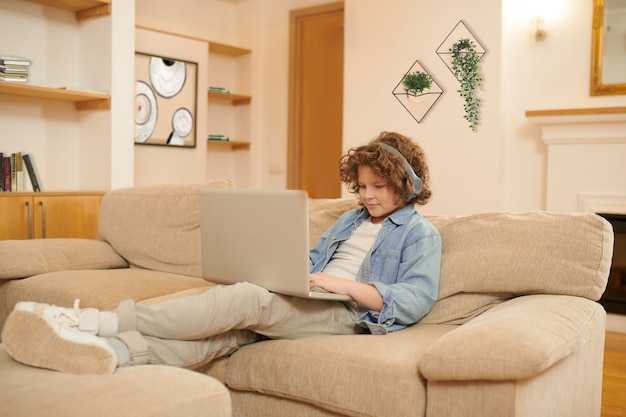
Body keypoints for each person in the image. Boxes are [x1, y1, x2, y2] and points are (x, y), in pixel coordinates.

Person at [1, 131, 442, 375]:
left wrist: (342, 284)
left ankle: (94, 322)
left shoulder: (420, 235)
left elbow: (412, 301)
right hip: (314, 299)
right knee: (229, 333)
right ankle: (110, 353)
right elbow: (309, 265)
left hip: (348, 314)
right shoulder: (350, 220)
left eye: (378, 187)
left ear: (408, 185)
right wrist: (281, 269)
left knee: (247, 300)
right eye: (361, 186)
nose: (366, 195)